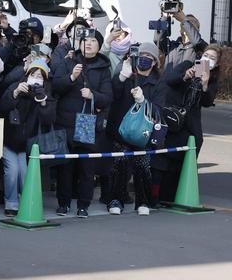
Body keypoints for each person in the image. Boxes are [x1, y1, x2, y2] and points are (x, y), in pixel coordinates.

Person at [50, 28, 113, 217]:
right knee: (65, 167)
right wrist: (71, 78)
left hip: (88, 123)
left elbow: (108, 97)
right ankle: (63, 203)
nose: (88, 43)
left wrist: (93, 95)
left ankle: (83, 205)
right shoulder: (69, 61)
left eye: (93, 41)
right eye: (85, 40)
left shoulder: (103, 67)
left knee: (87, 168)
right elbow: (56, 86)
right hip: (66, 121)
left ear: (99, 46)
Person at [153, 44, 222, 202]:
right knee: (162, 158)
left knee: (185, 155)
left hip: (189, 123)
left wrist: (204, 84)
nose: (208, 60)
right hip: (172, 117)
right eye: (206, 56)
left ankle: (174, 196)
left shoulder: (211, 80)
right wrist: (185, 76)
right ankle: (156, 196)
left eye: (212, 58)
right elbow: (168, 80)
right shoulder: (187, 65)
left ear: (216, 64)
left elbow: (207, 101)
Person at [105, 44, 162, 215]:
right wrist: (122, 76)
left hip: (144, 133)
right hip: (122, 130)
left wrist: (143, 101)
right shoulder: (127, 75)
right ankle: (116, 200)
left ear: (154, 62)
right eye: (141, 55)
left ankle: (143, 201)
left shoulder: (158, 83)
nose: (143, 59)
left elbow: (159, 110)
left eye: (148, 57)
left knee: (143, 165)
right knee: (120, 163)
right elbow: (112, 95)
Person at [0, 58, 57, 216]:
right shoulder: (16, 86)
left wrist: (43, 102)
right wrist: (15, 93)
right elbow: (1, 107)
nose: (36, 78)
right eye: (33, 74)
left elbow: (49, 120)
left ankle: (26, 202)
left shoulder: (45, 95)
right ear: (27, 75)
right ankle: (11, 203)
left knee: (24, 174)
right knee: (12, 171)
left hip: (29, 144)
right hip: (9, 139)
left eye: (40, 76)